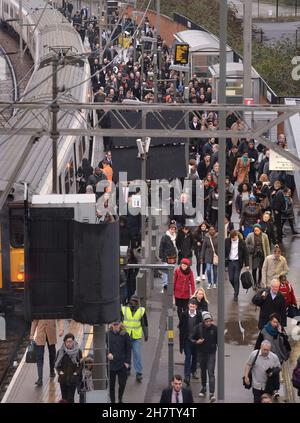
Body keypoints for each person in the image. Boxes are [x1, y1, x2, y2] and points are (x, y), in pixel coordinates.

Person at [191, 311, 218, 403]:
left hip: (211, 353)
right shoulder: (198, 328)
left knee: (211, 372)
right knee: (203, 371)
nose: (208, 323)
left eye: (210, 321)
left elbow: (219, 342)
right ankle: (203, 388)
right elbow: (191, 338)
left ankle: (211, 393)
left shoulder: (215, 329)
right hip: (201, 353)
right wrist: (196, 342)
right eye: (206, 321)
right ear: (203, 321)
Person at [121, 295, 148, 383]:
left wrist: (146, 334)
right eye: (133, 301)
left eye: (136, 301)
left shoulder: (141, 311)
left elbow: (144, 324)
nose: (134, 303)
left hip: (136, 337)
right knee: (126, 354)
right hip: (126, 336)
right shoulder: (124, 310)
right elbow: (120, 322)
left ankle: (139, 373)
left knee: (137, 354)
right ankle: (127, 368)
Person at [30, 319, 64, 386]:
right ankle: (40, 379)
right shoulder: (37, 308)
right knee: (39, 357)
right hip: (40, 333)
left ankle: (52, 371)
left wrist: (61, 329)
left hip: (51, 332)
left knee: (52, 354)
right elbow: (34, 321)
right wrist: (32, 334)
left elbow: (59, 319)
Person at [178, 299, 202, 386]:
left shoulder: (199, 314)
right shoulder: (184, 314)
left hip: (196, 340)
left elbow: (201, 327)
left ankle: (193, 371)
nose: (192, 308)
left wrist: (200, 338)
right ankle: (187, 376)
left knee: (195, 357)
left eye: (193, 306)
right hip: (187, 340)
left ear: (196, 307)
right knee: (188, 357)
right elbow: (181, 327)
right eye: (190, 306)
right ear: (188, 306)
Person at [106, 322, 131, 403]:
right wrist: (107, 353)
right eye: (114, 325)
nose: (116, 326)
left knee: (122, 383)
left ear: (120, 325)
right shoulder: (107, 334)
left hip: (122, 363)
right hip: (111, 364)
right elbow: (103, 346)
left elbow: (128, 349)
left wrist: (127, 362)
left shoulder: (125, 335)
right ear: (111, 325)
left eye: (117, 325)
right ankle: (112, 401)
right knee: (111, 386)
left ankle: (120, 399)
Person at [55, 333, 83, 403]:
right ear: (64, 342)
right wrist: (60, 372)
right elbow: (57, 364)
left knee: (70, 398)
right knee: (64, 398)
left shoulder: (78, 352)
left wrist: (76, 373)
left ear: (73, 342)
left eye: (70, 341)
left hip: (72, 379)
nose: (68, 343)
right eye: (67, 342)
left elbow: (81, 365)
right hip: (63, 379)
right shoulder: (60, 352)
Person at [225, 230, 249, 301]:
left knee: (236, 278)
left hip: (238, 262)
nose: (233, 239)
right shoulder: (227, 241)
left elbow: (246, 253)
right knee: (231, 279)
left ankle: (236, 294)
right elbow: (224, 250)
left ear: (236, 235)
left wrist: (247, 264)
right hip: (230, 262)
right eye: (232, 238)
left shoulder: (242, 242)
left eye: (234, 237)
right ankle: (236, 288)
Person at [246, 224, 270, 290]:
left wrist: (268, 256)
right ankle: (254, 283)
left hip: (262, 254)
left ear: (260, 229)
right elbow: (246, 243)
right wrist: (250, 247)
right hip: (254, 255)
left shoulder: (265, 236)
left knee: (261, 269)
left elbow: (267, 246)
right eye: (255, 230)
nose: (256, 231)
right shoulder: (250, 235)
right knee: (254, 269)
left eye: (258, 230)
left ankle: (259, 282)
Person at [159, 222, 177, 290]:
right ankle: (165, 283)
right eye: (171, 229)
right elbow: (161, 246)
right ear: (169, 229)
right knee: (165, 270)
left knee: (171, 269)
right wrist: (161, 255)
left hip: (173, 255)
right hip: (166, 255)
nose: (173, 230)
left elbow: (175, 247)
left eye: (174, 229)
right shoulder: (165, 237)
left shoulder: (175, 236)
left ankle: (169, 282)